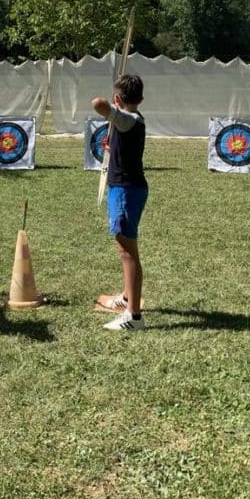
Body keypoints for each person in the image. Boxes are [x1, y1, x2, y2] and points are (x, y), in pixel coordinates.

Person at [92, 74, 148, 332]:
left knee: (128, 253)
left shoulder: (128, 120)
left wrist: (112, 108)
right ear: (141, 98)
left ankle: (133, 317)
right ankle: (127, 298)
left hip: (127, 191)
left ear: (118, 99)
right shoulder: (127, 121)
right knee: (123, 249)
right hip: (123, 189)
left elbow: (97, 103)